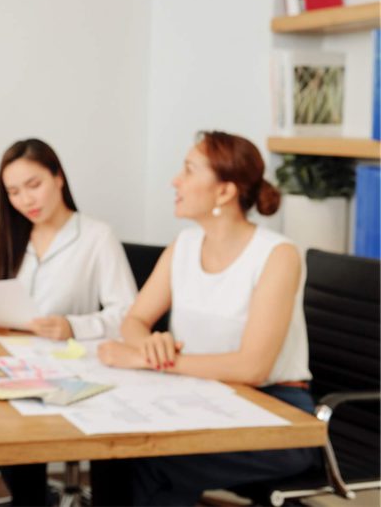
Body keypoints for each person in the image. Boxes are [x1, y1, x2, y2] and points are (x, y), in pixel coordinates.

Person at [97, 130, 317, 506]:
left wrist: (150, 361)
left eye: (188, 170)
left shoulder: (278, 255)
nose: (175, 181)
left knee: (149, 462)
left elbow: (253, 368)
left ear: (224, 191)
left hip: (277, 416)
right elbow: (134, 321)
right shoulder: (183, 246)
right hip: (203, 398)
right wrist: (149, 344)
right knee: (113, 451)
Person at [0, 138, 137, 506]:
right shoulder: (3, 234)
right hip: (5, 364)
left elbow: (129, 316)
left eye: (34, 185)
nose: (26, 200)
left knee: (12, 439)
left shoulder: (96, 237)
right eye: (14, 192)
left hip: (65, 370)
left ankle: (31, 495)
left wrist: (72, 325)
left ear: (58, 177)